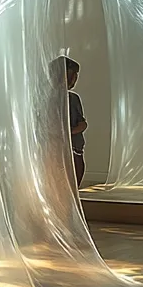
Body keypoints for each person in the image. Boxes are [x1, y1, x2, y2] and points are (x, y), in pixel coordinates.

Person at [61, 56, 87, 188]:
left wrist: (72, 131)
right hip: (58, 147)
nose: (74, 79)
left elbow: (82, 122)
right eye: (72, 75)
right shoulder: (47, 98)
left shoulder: (73, 98)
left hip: (75, 145)